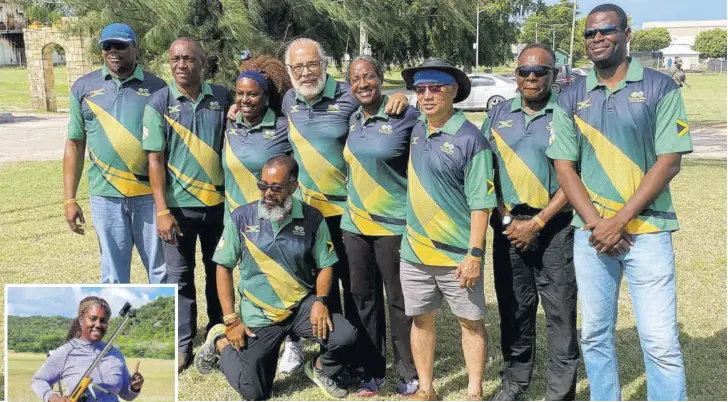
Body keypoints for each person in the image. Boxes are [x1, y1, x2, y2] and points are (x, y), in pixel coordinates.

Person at [227, 38, 409, 374]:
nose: (306, 72)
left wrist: (401, 97)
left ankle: (364, 361)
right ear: (290, 71)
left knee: (357, 293)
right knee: (318, 293)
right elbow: (256, 104)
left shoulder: (347, 94)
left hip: (350, 215)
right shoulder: (288, 102)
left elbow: (376, 101)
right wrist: (236, 108)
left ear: (324, 64)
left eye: (312, 64)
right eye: (298, 66)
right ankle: (329, 359)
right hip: (307, 218)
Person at [546, 4, 692, 400]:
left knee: (660, 341)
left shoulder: (661, 87)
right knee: (594, 333)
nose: (597, 39)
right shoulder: (571, 96)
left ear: (627, 35)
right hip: (592, 237)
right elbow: (564, 169)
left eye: (606, 30)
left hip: (647, 231)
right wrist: (598, 225)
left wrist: (619, 221)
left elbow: (669, 161)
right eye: (590, 33)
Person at [194, 155, 366, 400]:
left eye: (275, 187)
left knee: (345, 335)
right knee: (255, 393)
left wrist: (320, 300)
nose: (267, 193)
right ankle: (220, 342)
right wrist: (231, 320)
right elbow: (223, 267)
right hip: (260, 314)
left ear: (294, 186)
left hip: (300, 307)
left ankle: (319, 368)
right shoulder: (241, 218)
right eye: (262, 185)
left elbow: (326, 265)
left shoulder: (312, 218)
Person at [482, 44, 579, 401]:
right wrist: (507, 219)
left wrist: (537, 222)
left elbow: (575, 177)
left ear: (555, 75)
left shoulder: (566, 113)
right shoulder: (496, 115)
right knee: (515, 308)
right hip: (507, 226)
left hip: (555, 227)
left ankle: (560, 392)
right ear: (516, 74)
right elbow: (483, 175)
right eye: (525, 71)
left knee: (560, 313)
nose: (532, 77)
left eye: (541, 71)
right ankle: (515, 381)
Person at [399, 58, 497, 401]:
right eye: (420, 89)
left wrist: (474, 254)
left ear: (453, 92)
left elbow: (481, 205)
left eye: (436, 88)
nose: (426, 95)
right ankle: (426, 388)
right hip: (414, 252)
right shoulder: (416, 129)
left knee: (469, 322)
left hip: (458, 257)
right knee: (422, 320)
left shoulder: (471, 139)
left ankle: (473, 391)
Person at [142, 37, 231, 373]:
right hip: (177, 211)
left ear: (202, 62)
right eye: (175, 58)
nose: (181, 65)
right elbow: (155, 160)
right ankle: (183, 344)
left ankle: (217, 333)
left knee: (217, 271)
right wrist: (162, 210)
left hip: (218, 206)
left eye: (189, 58)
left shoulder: (222, 97)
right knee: (179, 278)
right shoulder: (159, 101)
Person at [63, 23, 167, 284]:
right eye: (107, 46)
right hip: (105, 197)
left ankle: (170, 326)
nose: (113, 51)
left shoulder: (157, 87)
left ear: (135, 49)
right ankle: (119, 324)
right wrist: (69, 199)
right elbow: (75, 144)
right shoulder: (83, 87)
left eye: (120, 46)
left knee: (161, 271)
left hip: (149, 196)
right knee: (113, 275)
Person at [341, 55, 419, 397]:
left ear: (380, 77)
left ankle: (408, 370)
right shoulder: (353, 118)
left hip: (393, 225)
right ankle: (371, 370)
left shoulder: (405, 115)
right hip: (354, 224)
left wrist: (406, 96)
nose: (362, 83)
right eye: (355, 79)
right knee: (363, 299)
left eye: (368, 76)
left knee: (399, 300)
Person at [224, 56, 303, 374]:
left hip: (274, 219)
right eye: (240, 94)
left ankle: (294, 343)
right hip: (237, 220)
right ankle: (238, 333)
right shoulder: (229, 123)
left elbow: (297, 172)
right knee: (249, 282)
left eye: (253, 94)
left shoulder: (283, 127)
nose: (245, 100)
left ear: (266, 95)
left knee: (289, 281)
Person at [31, 296, 144, 402]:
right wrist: (53, 397)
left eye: (103, 321)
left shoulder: (115, 354)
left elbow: (126, 394)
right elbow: (38, 380)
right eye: (93, 318)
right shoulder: (66, 352)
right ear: (81, 319)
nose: (98, 324)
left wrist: (134, 388)